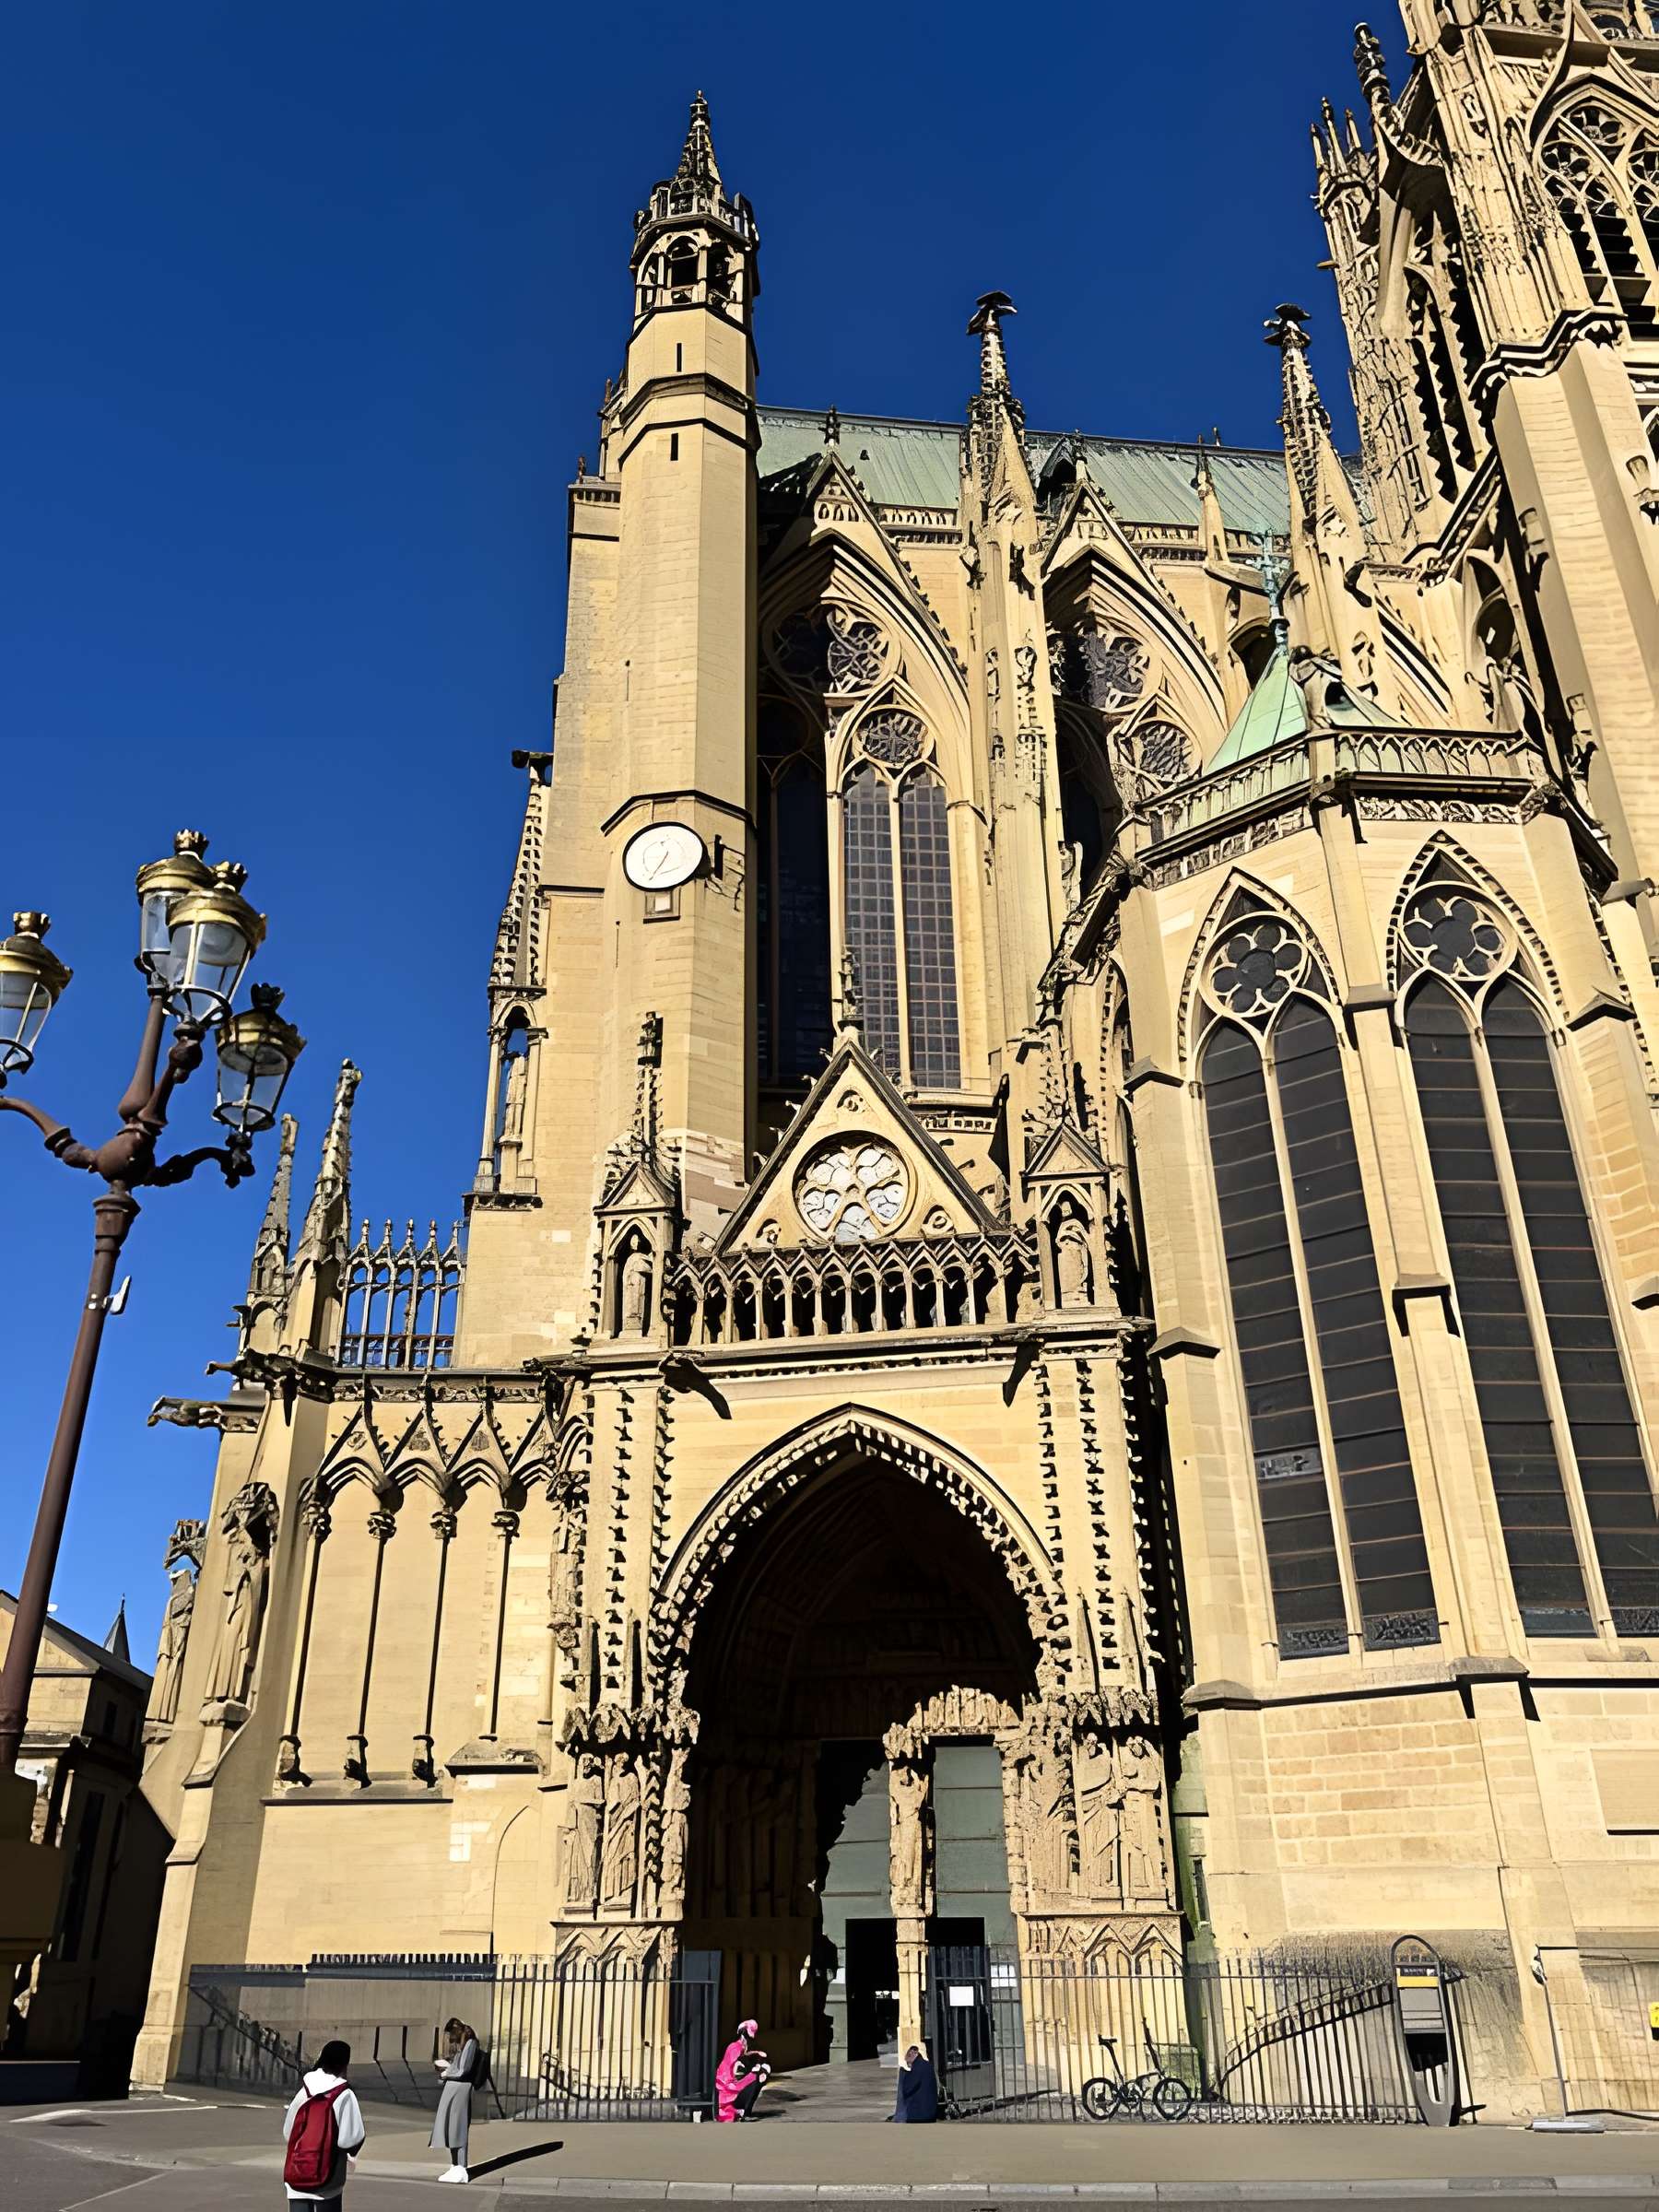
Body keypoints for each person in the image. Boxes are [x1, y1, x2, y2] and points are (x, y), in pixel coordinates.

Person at [282, 2039, 366, 2206]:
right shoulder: (344, 2094)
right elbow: (349, 2139)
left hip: (297, 2175)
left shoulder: (303, 2090)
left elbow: (288, 2133)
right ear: (344, 2064)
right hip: (328, 2177)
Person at [430, 2016, 478, 2183]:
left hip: (460, 2090)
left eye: (451, 2034)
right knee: (451, 2128)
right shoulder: (463, 2045)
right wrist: (447, 2069)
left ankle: (461, 2168)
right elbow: (458, 2068)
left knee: (458, 2128)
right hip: (453, 2089)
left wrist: (446, 2071)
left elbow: (463, 2070)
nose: (450, 2039)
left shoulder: (471, 2044)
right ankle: (455, 2165)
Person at [714, 2018, 769, 2122]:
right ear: (742, 2034)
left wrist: (756, 2053)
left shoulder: (740, 2047)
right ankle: (744, 2111)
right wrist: (750, 2071)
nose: (749, 2040)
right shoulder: (735, 2048)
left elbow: (743, 2055)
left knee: (759, 2075)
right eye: (747, 2036)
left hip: (731, 2087)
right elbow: (734, 2069)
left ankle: (742, 2111)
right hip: (729, 2088)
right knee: (757, 2076)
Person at [893, 2043, 939, 2124]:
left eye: (907, 2059)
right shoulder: (927, 2065)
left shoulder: (918, 2066)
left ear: (913, 2052)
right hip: (930, 2112)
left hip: (920, 2114)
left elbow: (907, 2088)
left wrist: (903, 2074)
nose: (908, 2063)